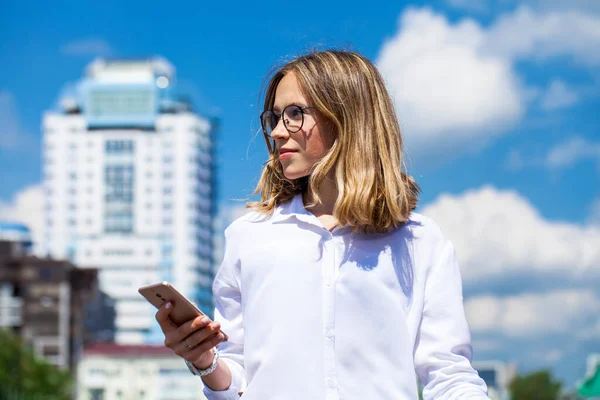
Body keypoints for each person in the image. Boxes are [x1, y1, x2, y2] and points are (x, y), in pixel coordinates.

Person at [155, 50, 490, 399]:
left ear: (346, 116)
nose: (279, 132)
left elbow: (450, 376)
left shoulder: (420, 241)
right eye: (274, 117)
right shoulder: (248, 237)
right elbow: (236, 376)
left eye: (295, 114)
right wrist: (206, 361)